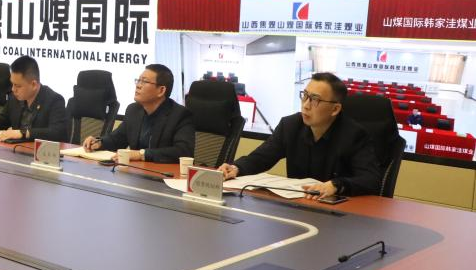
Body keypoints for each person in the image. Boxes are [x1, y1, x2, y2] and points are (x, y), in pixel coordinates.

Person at [218, 72, 381, 198]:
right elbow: (261, 157)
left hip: (340, 213)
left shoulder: (354, 135)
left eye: (315, 99)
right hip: (299, 204)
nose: (306, 105)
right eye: (305, 96)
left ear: (335, 109)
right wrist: (236, 168)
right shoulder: (290, 126)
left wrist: (336, 185)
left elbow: (371, 180)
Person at [83, 64, 194, 162]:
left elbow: (183, 151)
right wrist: (99, 142)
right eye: (138, 80)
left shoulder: (180, 115)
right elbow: (117, 139)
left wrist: (141, 154)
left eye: (144, 81)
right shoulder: (133, 110)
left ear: (161, 90)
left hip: (163, 174)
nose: (138, 85)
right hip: (136, 172)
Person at [0, 55, 68, 142]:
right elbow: (3, 120)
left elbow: (57, 133)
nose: (13, 89)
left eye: (18, 86)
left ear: (34, 85)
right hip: (16, 149)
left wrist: (23, 133)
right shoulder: (14, 98)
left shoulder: (54, 100)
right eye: (12, 84)